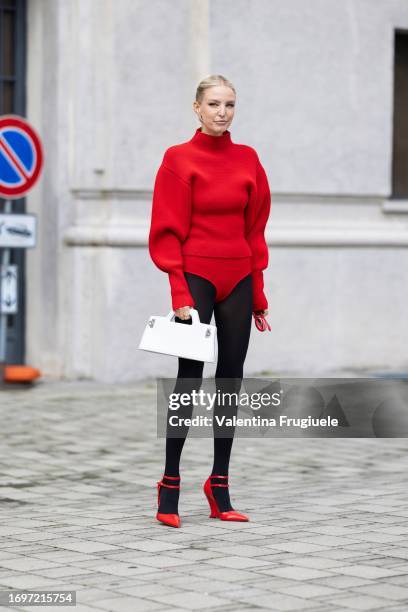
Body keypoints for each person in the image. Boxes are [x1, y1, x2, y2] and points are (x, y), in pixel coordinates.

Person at [148, 74, 271, 527]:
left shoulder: (249, 160)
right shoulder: (178, 159)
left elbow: (254, 229)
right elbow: (166, 230)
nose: (223, 112)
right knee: (189, 379)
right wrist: (179, 292)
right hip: (196, 277)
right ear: (196, 108)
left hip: (238, 275)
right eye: (214, 104)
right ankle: (169, 484)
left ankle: (219, 485)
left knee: (232, 380)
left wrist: (258, 292)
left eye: (230, 104)